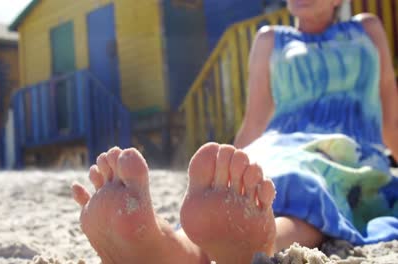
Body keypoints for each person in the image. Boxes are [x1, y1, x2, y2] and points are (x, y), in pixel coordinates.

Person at [71, 0, 398, 263]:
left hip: (347, 153)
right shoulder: (270, 39)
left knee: (309, 186)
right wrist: (224, 171)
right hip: (278, 146)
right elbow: (256, 119)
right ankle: (166, 248)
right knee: (242, 195)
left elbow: (390, 111)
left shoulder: (367, 29)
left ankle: (253, 242)